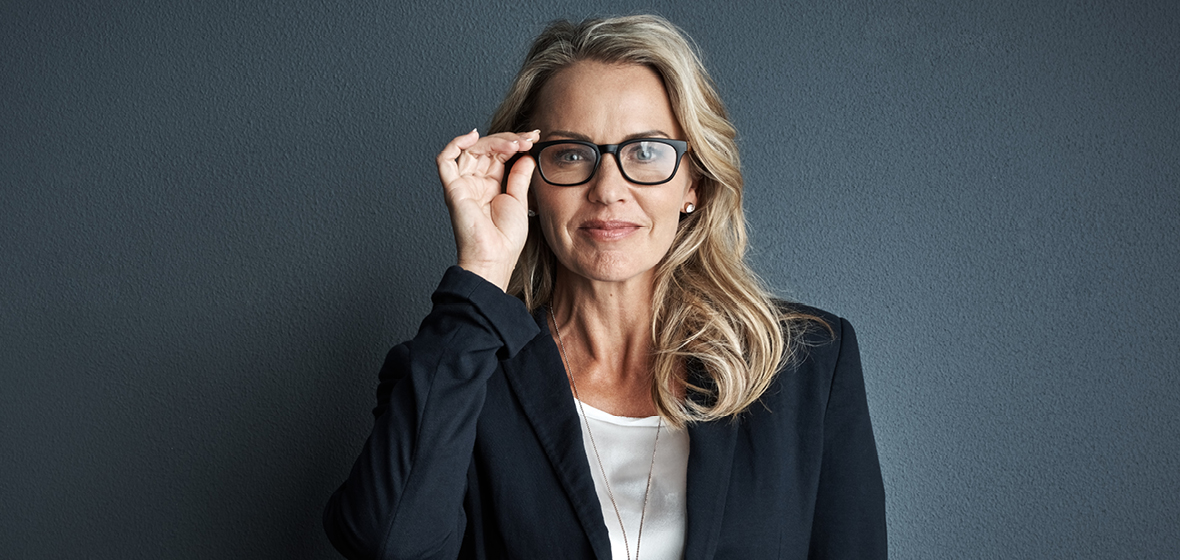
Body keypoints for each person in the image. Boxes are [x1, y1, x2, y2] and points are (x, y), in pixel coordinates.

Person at [323, 14, 886, 560]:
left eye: (645, 152)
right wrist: (481, 273)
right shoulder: (459, 371)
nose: (608, 189)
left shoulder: (807, 362)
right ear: (530, 182)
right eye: (571, 154)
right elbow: (389, 543)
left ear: (693, 181)